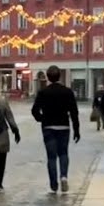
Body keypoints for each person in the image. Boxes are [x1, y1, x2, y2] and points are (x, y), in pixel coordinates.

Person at [31, 65, 81, 195]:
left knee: (51, 157)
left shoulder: (43, 92)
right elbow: (74, 112)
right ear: (59, 76)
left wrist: (41, 119)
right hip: (64, 126)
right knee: (63, 153)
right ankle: (63, 176)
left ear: (48, 77)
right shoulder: (67, 92)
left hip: (48, 127)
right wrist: (76, 129)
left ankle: (53, 184)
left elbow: (34, 110)